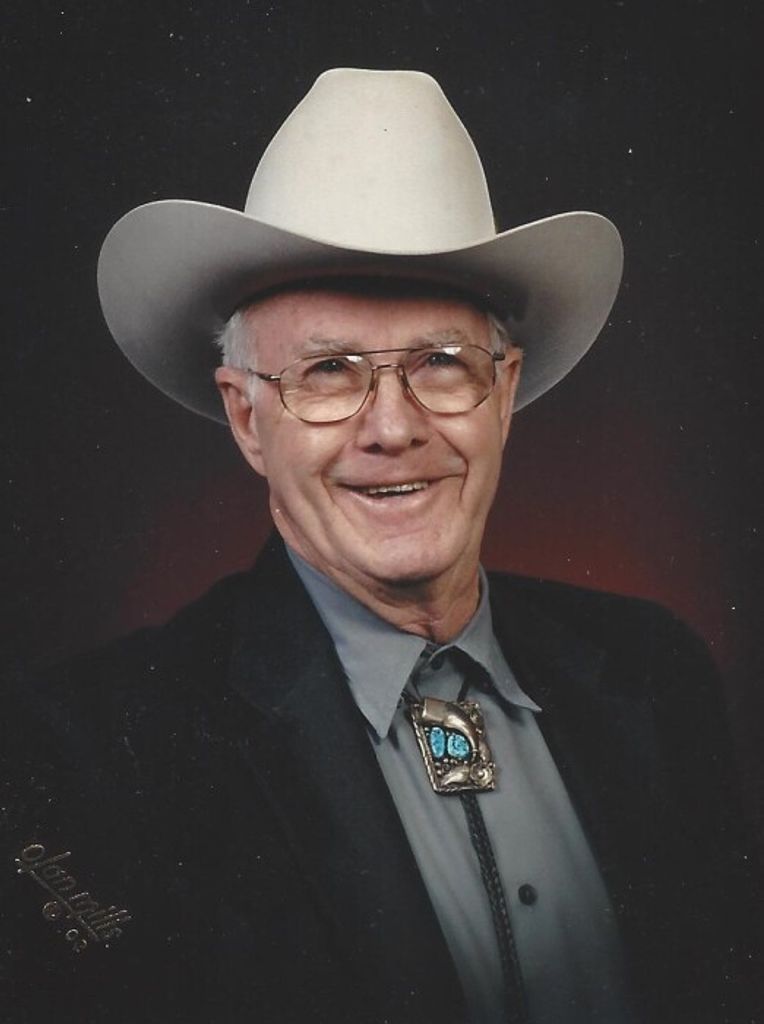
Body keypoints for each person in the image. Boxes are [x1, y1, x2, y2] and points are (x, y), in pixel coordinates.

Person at [2, 69, 758, 1024]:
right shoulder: (87, 755)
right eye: (328, 371)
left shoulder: (656, 674)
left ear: (504, 394)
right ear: (247, 418)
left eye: (441, 362)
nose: (393, 429)